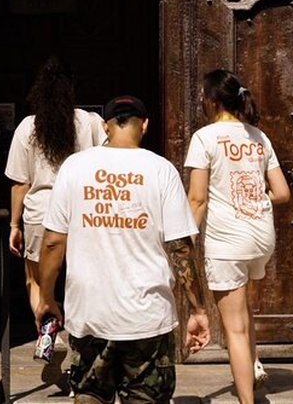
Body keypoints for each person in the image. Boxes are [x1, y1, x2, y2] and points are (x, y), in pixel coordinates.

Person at [34, 95, 211, 404]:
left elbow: (52, 242)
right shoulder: (161, 169)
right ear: (145, 125)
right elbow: (180, 248)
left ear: (105, 126)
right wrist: (197, 309)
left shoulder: (74, 167)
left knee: (89, 395)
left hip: (89, 313)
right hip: (146, 317)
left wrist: (47, 298)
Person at [184, 69, 291, 404]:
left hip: (228, 239)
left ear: (213, 101)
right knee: (243, 309)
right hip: (260, 235)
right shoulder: (259, 137)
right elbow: (283, 192)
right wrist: (253, 200)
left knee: (234, 328)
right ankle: (253, 365)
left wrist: (185, 239)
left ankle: (247, 401)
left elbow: (197, 198)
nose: (201, 102)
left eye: (202, 97)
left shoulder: (205, 138)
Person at [4, 55, 107, 381]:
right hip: (81, 213)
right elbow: (106, 163)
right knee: (82, 281)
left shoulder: (27, 128)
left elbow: (21, 182)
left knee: (35, 280)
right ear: (71, 88)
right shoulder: (89, 122)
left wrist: (14, 225)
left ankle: (48, 330)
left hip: (40, 213)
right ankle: (84, 346)